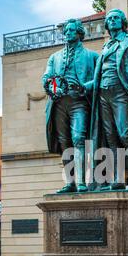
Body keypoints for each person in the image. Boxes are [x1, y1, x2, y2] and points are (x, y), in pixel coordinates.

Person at [88, 8, 128, 191]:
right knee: (111, 138)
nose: (113, 20)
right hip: (103, 95)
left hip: (121, 93)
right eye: (110, 19)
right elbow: (98, 77)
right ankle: (117, 178)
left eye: (116, 18)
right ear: (106, 24)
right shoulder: (105, 47)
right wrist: (84, 87)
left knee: (126, 134)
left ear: (122, 22)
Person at [42, 19, 98, 193]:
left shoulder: (92, 56)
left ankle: (81, 181)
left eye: (72, 30)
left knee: (78, 138)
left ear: (80, 33)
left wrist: (85, 86)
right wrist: (50, 85)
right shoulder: (54, 57)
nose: (68, 33)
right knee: (65, 143)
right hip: (58, 103)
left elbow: (99, 79)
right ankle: (70, 182)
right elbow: (46, 77)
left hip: (79, 102)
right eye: (66, 31)